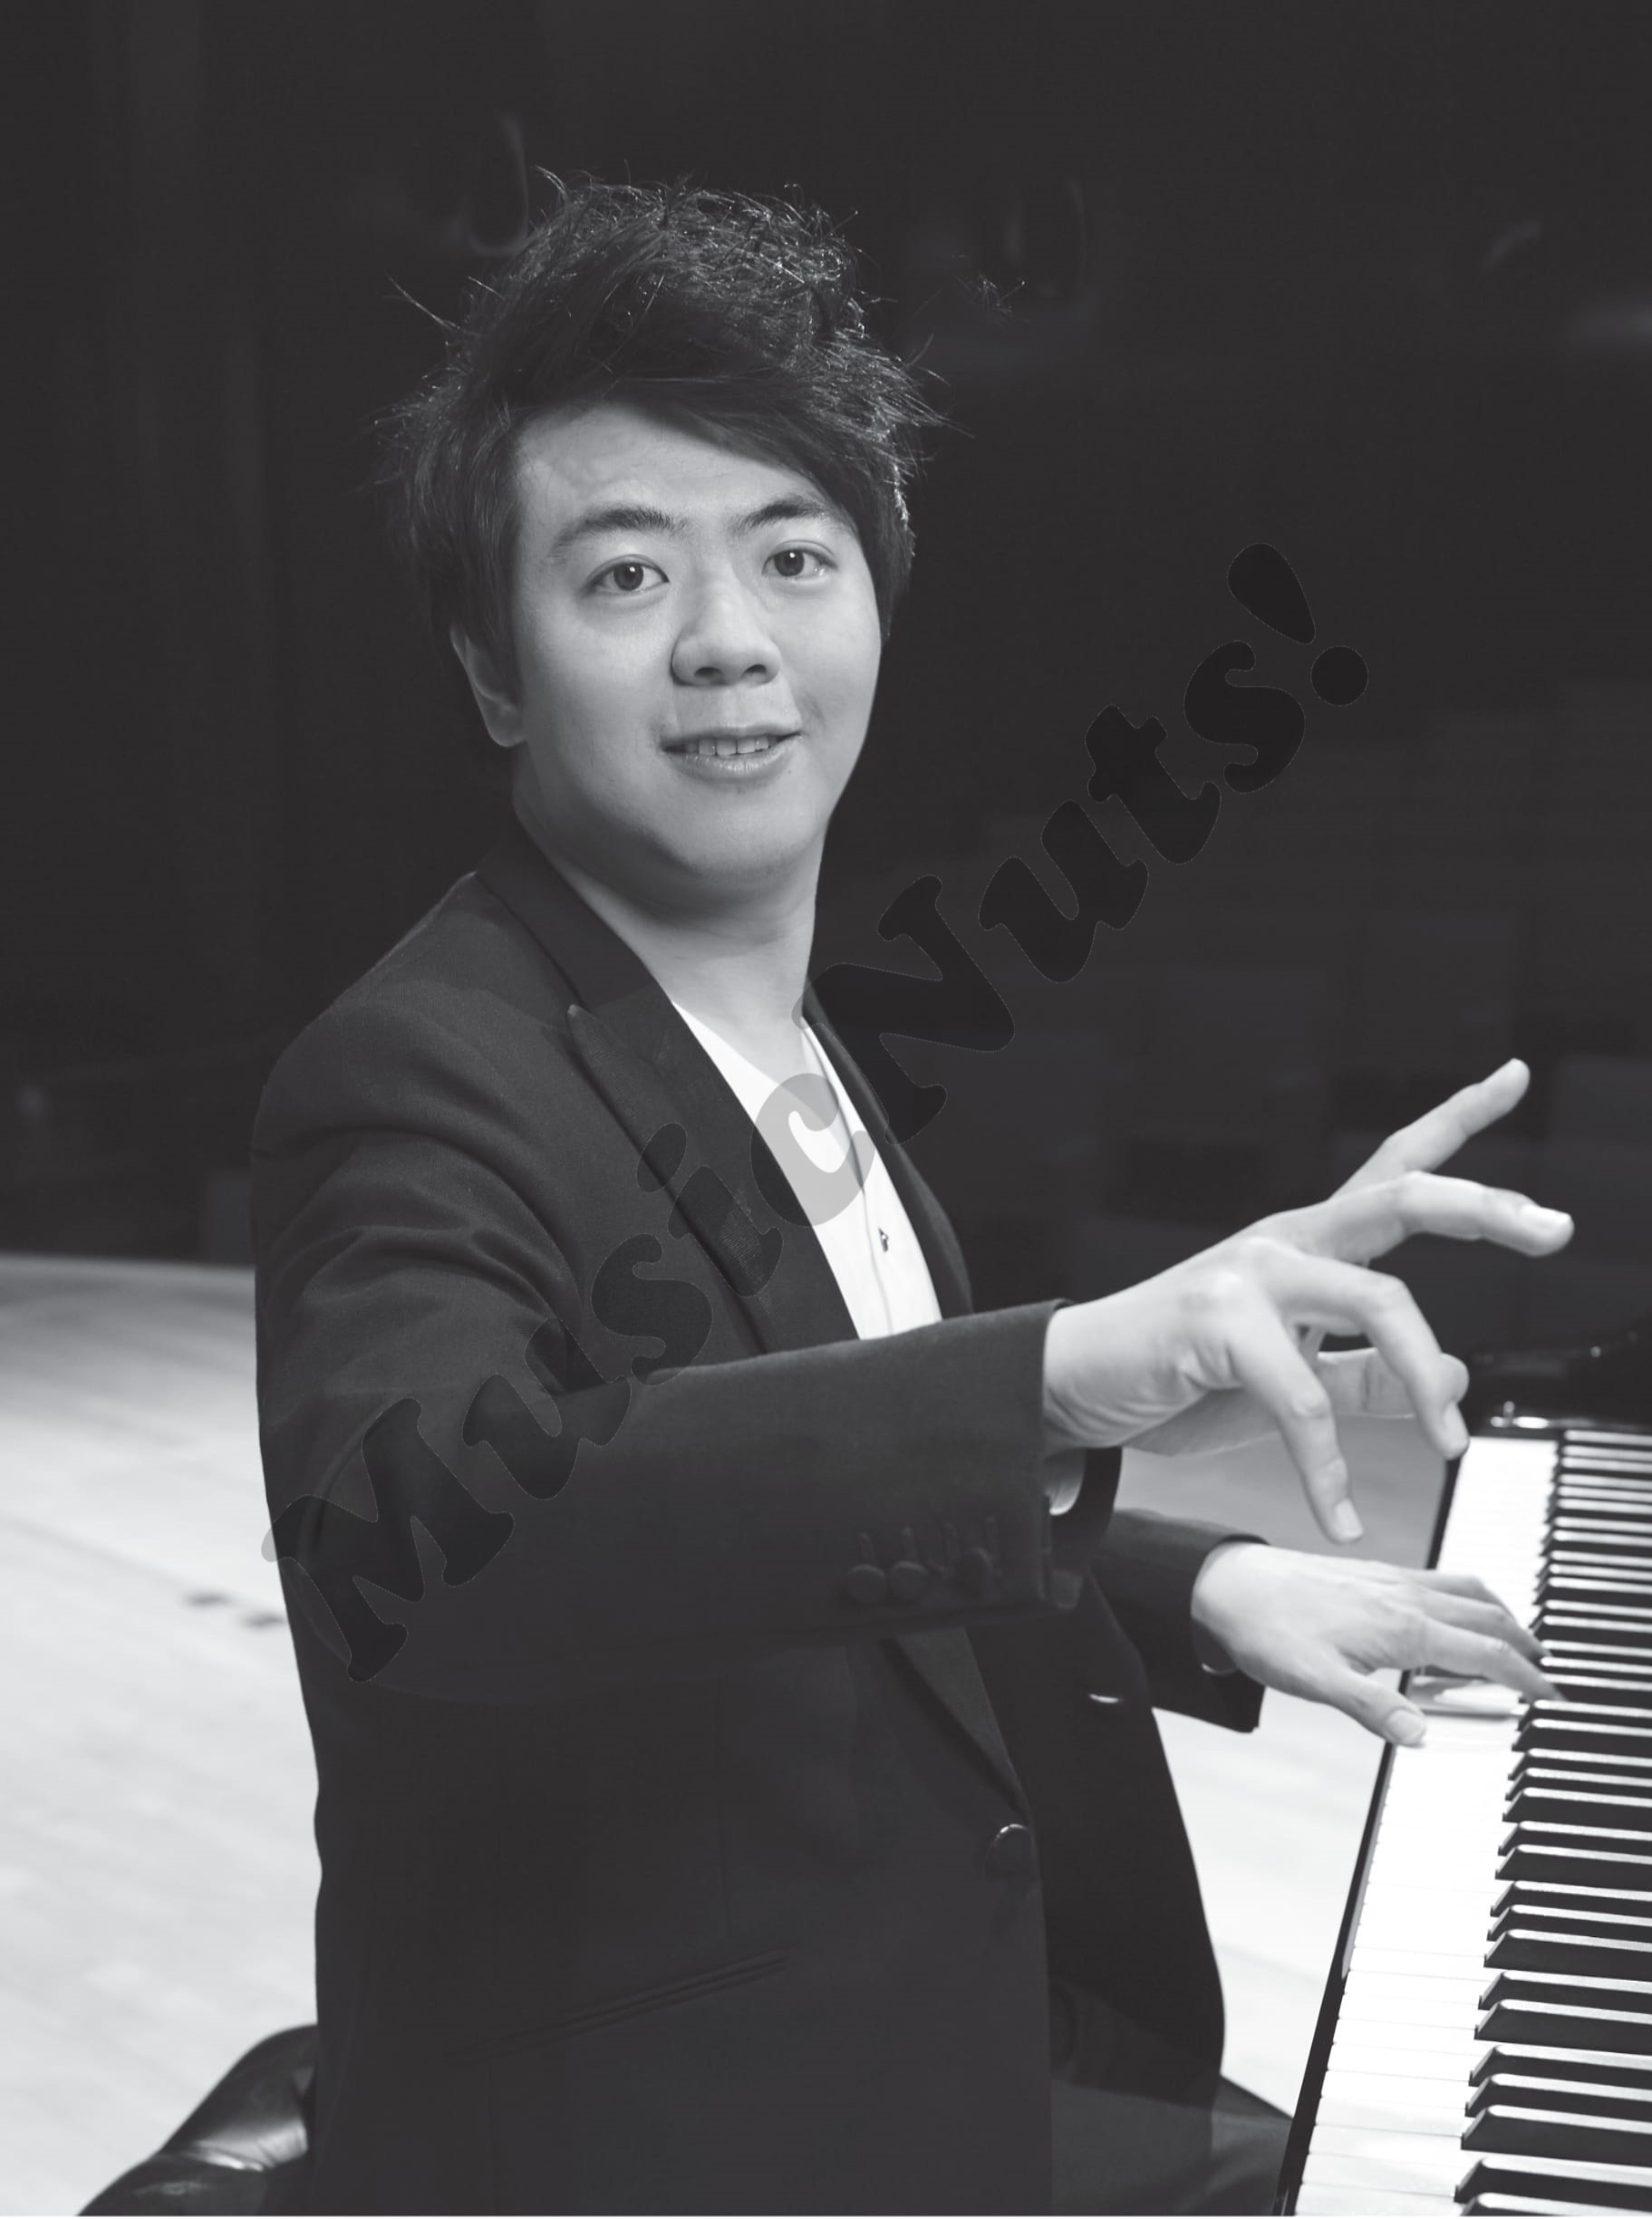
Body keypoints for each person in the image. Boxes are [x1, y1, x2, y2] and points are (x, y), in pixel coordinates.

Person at [251, 178, 1571, 2216]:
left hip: (935, 2025)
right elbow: (426, 1543)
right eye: (625, 575)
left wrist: (1191, 1584)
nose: (730, 638)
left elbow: (797, 1483)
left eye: (793, 555)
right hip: (663, 2146)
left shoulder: (773, 1030)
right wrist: (1046, 1374)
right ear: (495, 673)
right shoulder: (417, 1073)